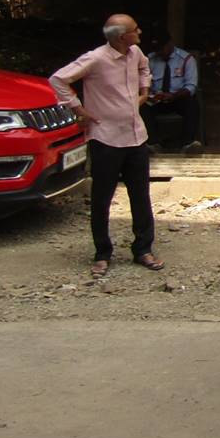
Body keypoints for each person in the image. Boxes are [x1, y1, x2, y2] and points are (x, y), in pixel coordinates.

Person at [50, 14, 162, 278]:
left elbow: (144, 68)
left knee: (141, 195)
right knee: (102, 198)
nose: (140, 32)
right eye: (135, 29)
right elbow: (58, 79)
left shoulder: (135, 53)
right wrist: (78, 109)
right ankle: (102, 253)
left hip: (136, 136)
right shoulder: (96, 59)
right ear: (122, 36)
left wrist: (144, 90)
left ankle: (143, 249)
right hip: (106, 138)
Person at [141, 32, 202, 154]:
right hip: (157, 99)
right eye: (157, 50)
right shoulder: (149, 59)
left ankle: (188, 143)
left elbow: (191, 86)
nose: (159, 52)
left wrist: (174, 96)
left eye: (161, 48)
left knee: (192, 104)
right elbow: (143, 82)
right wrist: (150, 94)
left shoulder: (186, 59)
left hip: (178, 98)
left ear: (170, 44)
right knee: (142, 106)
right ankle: (153, 143)